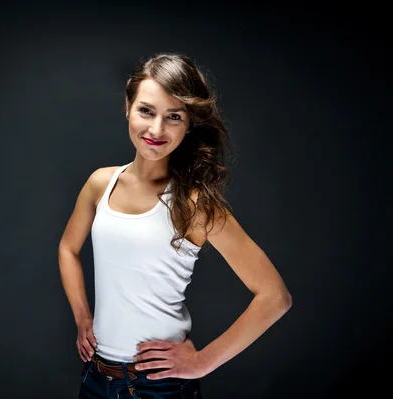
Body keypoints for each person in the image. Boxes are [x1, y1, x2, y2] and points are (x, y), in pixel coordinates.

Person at [57, 52, 292, 399]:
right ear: (128, 105)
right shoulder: (100, 184)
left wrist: (202, 362)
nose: (156, 129)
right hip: (96, 379)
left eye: (173, 117)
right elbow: (68, 248)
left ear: (189, 123)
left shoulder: (195, 205)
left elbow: (275, 297)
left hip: (159, 389)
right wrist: (82, 317)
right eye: (146, 111)